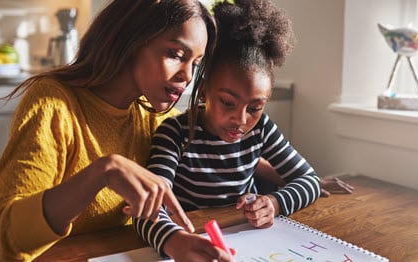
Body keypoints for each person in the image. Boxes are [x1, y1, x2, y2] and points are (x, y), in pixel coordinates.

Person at [0, 0, 217, 260]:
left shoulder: (157, 122)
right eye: (176, 54)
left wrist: (270, 198)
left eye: (195, 63)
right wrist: (102, 172)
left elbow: (234, 149)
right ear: (131, 39)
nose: (187, 75)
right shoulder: (54, 103)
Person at [133, 0, 326, 261]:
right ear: (204, 90)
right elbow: (149, 208)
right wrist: (173, 240)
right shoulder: (175, 133)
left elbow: (310, 181)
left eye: (255, 107)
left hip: (245, 241)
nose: (241, 119)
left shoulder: (262, 130)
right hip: (192, 239)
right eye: (227, 102)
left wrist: (274, 203)